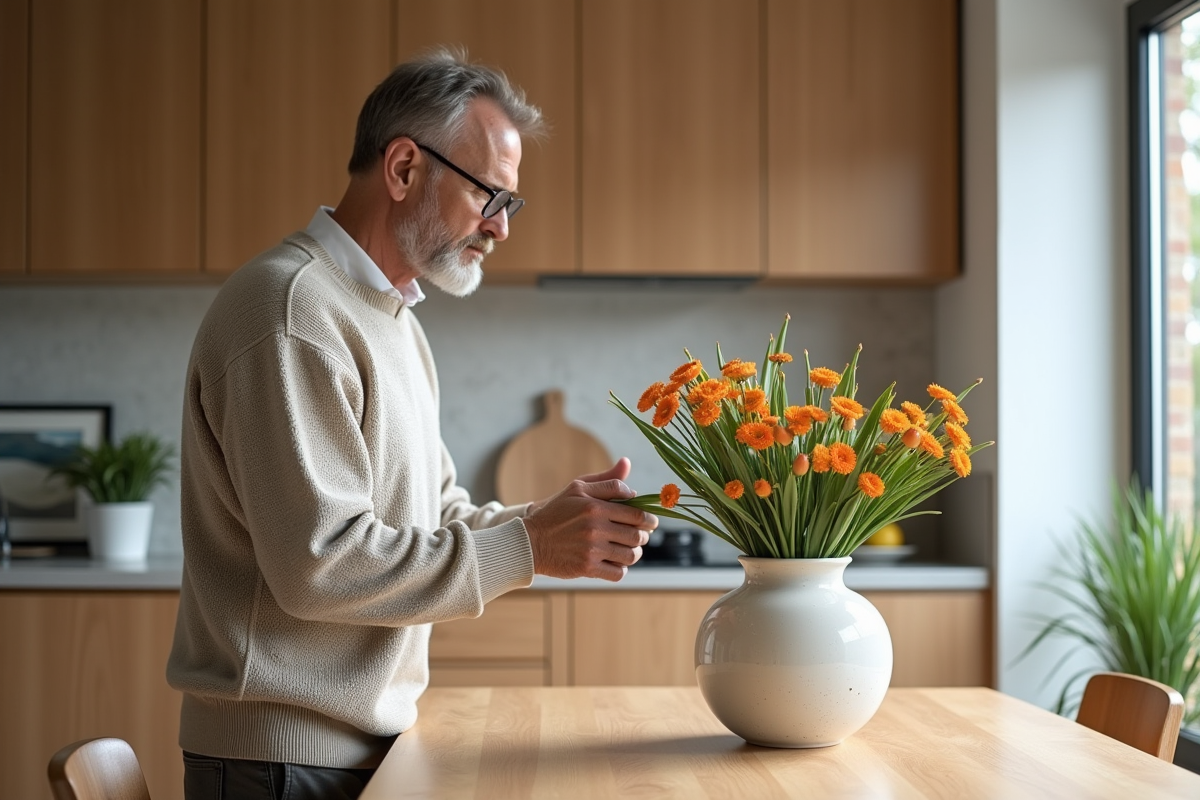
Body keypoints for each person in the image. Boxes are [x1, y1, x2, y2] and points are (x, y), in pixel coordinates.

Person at [166, 48, 657, 800]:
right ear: (403, 169)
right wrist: (528, 546)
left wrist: (554, 524)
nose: (499, 228)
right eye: (488, 195)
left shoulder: (394, 321)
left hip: (350, 750)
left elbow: (439, 512)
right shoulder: (292, 310)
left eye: (509, 204)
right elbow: (321, 564)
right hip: (280, 763)